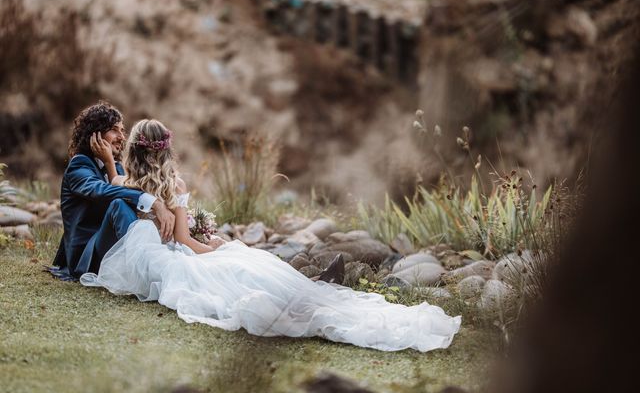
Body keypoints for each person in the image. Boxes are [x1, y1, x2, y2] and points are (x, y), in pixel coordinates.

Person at [80, 119, 461, 352]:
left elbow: (116, 181)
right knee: (240, 259)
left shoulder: (124, 181)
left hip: (156, 259)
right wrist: (215, 244)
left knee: (240, 267)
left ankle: (300, 299)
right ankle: (305, 298)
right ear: (167, 151)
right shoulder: (175, 182)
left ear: (132, 150)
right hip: (178, 256)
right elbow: (186, 242)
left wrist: (111, 160)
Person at [50, 101, 175, 281]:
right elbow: (101, 191)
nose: (121, 137)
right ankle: (145, 269)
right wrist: (153, 202)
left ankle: (155, 260)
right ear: (95, 134)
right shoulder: (79, 165)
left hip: (110, 247)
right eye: (114, 130)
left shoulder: (117, 168)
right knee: (118, 204)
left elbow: (125, 193)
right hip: (87, 258)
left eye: (122, 131)